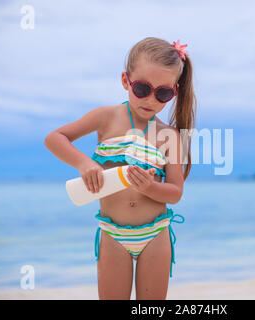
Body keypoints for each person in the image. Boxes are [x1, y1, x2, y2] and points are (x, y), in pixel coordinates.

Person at [44, 37, 197, 299]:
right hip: (113, 234)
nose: (151, 99)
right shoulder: (106, 117)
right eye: (142, 88)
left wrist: (150, 187)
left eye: (162, 93)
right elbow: (55, 138)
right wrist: (84, 163)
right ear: (126, 81)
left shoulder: (169, 135)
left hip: (155, 235)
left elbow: (175, 193)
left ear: (174, 92)